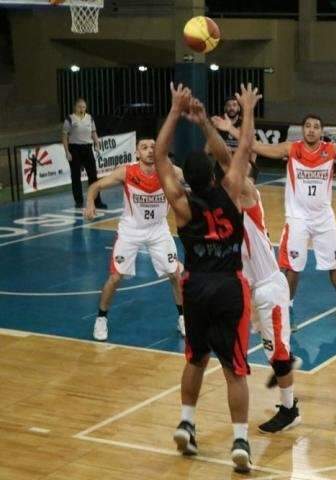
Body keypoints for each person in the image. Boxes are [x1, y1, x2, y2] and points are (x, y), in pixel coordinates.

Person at [214, 114, 336, 330]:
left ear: (321, 131)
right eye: (307, 126)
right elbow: (256, 146)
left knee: (335, 264)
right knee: (294, 268)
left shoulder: (330, 150)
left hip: (324, 218)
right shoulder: (291, 149)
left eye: (316, 127)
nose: (311, 130)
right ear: (302, 129)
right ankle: (287, 309)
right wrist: (231, 130)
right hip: (297, 219)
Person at [154, 82, 259, 473]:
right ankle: (241, 441)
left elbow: (161, 153)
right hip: (229, 286)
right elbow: (244, 147)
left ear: (188, 179)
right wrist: (246, 109)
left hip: (194, 286)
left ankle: (186, 420)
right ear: (215, 177)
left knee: (195, 358)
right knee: (235, 370)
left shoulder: (181, 203)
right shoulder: (231, 192)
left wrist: (175, 110)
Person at [191, 96, 302, 433]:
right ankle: (283, 363)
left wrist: (208, 124)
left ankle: (290, 408)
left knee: (278, 354)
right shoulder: (215, 203)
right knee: (267, 352)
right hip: (244, 291)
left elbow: (228, 156)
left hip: (267, 286)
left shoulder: (247, 193)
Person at [84, 139, 184, 341]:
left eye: (153, 147)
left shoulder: (172, 171)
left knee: (175, 274)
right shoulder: (126, 172)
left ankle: (183, 317)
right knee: (115, 277)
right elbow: (95, 186)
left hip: (158, 230)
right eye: (144, 147)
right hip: (131, 230)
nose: (149, 151)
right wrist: (89, 202)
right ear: (137, 153)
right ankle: (101, 319)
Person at [63, 98, 107, 209]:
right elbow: (64, 136)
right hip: (75, 149)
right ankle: (79, 201)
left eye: (83, 107)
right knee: (76, 176)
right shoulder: (69, 119)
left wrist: (97, 144)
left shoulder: (90, 118)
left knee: (93, 176)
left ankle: (97, 201)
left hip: (87, 149)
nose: (82, 109)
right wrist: (67, 151)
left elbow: (94, 132)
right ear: (75, 107)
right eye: (79, 107)